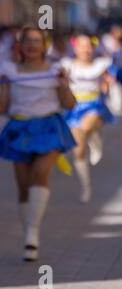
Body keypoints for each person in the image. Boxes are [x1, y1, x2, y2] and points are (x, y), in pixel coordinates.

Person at [0, 26, 77, 261]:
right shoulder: (9, 71)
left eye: (37, 41)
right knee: (23, 187)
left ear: (44, 45)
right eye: (27, 41)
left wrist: (64, 84)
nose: (32, 45)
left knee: (40, 174)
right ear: (20, 46)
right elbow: (2, 107)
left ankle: (33, 235)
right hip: (19, 128)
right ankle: (28, 233)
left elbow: (70, 104)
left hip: (48, 127)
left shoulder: (55, 70)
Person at [60, 34, 116, 203]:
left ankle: (96, 140)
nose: (86, 49)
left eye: (89, 46)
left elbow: (107, 80)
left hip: (93, 105)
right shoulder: (67, 65)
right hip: (73, 107)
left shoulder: (100, 64)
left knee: (85, 128)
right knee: (78, 150)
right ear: (75, 48)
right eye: (82, 46)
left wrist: (107, 84)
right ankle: (86, 187)